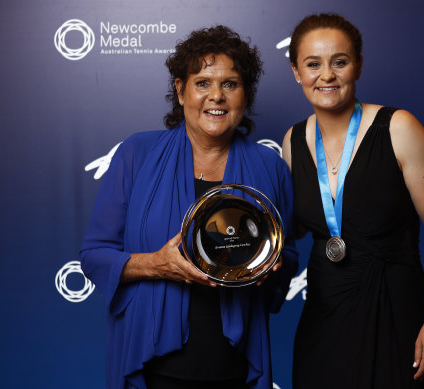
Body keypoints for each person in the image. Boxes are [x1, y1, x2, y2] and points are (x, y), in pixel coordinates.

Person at [80, 25, 298, 389]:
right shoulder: (138, 154)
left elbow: (287, 254)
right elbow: (94, 255)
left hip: (234, 364)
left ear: (245, 95)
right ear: (180, 91)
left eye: (230, 84)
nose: (217, 96)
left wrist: (272, 266)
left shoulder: (270, 166)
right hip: (153, 366)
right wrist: (155, 265)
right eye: (203, 83)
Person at [281, 13, 424, 389]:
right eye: (313, 64)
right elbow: (293, 228)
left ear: (358, 66)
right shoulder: (292, 141)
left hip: (396, 311)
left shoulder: (399, 128)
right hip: (324, 313)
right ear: (297, 71)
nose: (326, 75)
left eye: (339, 62)